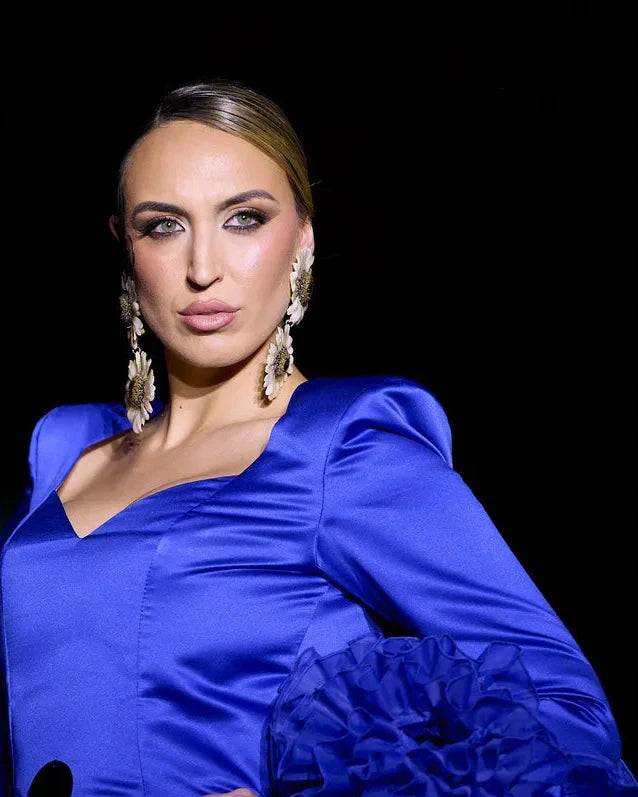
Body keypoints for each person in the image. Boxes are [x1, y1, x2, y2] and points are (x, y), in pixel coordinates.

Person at [0, 78, 635, 797]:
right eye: (165, 225)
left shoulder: (343, 449)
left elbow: (570, 715)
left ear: (303, 237)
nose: (203, 269)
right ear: (125, 244)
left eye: (243, 219)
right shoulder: (66, 450)